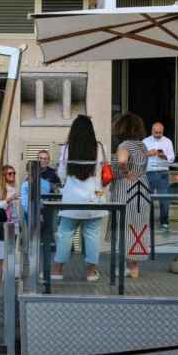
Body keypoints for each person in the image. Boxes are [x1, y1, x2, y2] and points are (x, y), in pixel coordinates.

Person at [53, 115, 109, 282]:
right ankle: (91, 272)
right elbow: (102, 175)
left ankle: (57, 270)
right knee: (92, 234)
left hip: (71, 199)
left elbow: (62, 173)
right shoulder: (99, 147)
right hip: (94, 198)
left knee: (65, 233)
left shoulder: (66, 148)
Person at [111, 113, 151, 279]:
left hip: (126, 188)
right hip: (143, 186)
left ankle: (124, 267)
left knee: (124, 226)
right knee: (138, 226)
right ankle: (134, 267)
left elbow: (121, 161)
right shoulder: (142, 146)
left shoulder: (124, 145)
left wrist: (126, 173)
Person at [142, 122, 175, 231]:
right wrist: (148, 154)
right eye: (156, 132)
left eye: (160, 132)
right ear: (152, 131)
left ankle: (164, 222)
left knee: (164, 199)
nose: (158, 134)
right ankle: (148, 222)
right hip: (149, 172)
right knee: (147, 199)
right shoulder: (145, 141)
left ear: (163, 131)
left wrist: (164, 156)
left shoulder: (167, 141)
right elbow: (139, 157)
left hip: (162, 173)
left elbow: (172, 158)